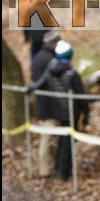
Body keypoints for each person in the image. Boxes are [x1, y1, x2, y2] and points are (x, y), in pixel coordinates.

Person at [28, 40, 89, 181]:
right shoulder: (71, 72)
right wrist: (86, 113)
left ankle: (59, 168)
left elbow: (39, 83)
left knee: (62, 141)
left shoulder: (51, 69)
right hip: (71, 112)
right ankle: (63, 172)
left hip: (58, 111)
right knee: (68, 143)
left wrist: (30, 88)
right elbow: (81, 95)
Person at [31, 29, 62, 178]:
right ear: (53, 42)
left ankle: (47, 169)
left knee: (48, 139)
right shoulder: (49, 59)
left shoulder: (38, 56)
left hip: (43, 105)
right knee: (49, 140)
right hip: (50, 107)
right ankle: (47, 171)